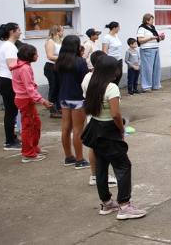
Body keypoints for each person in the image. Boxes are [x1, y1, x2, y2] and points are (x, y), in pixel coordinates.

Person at [82, 55, 146, 220]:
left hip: (95, 127)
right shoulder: (111, 88)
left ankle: (106, 202)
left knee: (101, 166)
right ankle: (124, 205)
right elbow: (116, 114)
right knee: (123, 166)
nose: (118, 71)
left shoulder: (92, 83)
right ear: (111, 70)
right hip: (108, 129)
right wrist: (121, 129)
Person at [81, 50, 119, 188]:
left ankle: (95, 175)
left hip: (93, 117)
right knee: (104, 150)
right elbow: (115, 113)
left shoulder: (88, 77)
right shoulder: (104, 83)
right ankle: (100, 176)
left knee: (95, 147)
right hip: (102, 119)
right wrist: (120, 128)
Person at [11, 44, 53, 162]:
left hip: (25, 99)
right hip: (25, 99)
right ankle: (28, 154)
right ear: (29, 55)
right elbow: (29, 89)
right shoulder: (24, 68)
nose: (37, 55)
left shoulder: (22, 65)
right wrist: (42, 100)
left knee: (35, 123)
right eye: (35, 54)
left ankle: (33, 148)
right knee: (28, 127)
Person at [57, 34, 90, 169]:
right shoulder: (80, 61)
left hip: (64, 97)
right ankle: (80, 159)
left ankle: (68, 157)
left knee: (66, 128)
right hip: (77, 98)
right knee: (78, 129)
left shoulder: (60, 61)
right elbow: (85, 80)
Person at [0, 22, 22, 150]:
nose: (20, 32)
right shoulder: (10, 47)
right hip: (7, 81)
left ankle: (12, 138)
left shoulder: (7, 45)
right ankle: (10, 141)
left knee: (11, 111)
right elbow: (12, 67)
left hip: (4, 79)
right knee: (11, 112)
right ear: (12, 32)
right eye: (18, 30)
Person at [44, 24, 63, 118]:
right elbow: (50, 56)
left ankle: (59, 107)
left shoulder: (59, 42)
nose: (63, 33)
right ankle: (52, 109)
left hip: (58, 67)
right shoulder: (50, 42)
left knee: (59, 87)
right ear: (57, 32)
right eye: (61, 31)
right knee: (54, 87)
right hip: (51, 67)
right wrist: (64, 58)